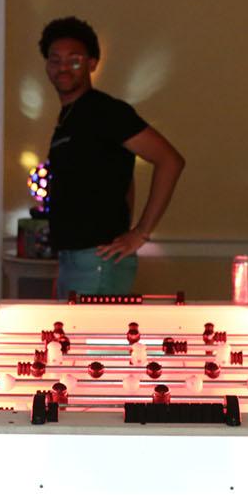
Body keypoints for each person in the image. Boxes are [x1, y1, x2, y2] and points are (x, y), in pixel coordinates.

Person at [39, 16, 184, 298]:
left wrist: (140, 232)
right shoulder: (68, 118)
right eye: (55, 60)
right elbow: (121, 178)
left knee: (94, 342)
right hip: (75, 258)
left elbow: (170, 160)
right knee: (77, 342)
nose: (63, 68)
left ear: (92, 63)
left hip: (98, 260)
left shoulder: (105, 111)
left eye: (74, 59)